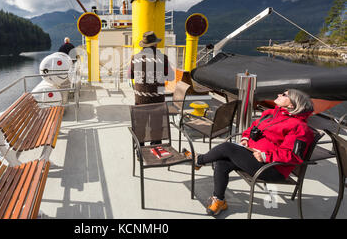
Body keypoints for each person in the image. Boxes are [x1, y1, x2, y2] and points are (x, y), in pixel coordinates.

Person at [184, 89, 315, 216]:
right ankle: (219, 200)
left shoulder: (300, 127)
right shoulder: (270, 114)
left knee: (227, 148)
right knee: (222, 161)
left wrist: (265, 156)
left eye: (284, 94)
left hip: (272, 168)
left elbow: (292, 155)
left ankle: (199, 161)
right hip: (252, 155)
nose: (279, 94)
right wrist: (246, 138)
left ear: (292, 104)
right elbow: (253, 128)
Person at [128, 31, 174, 145]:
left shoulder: (135, 58)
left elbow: (130, 75)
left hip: (140, 100)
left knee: (140, 125)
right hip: (158, 99)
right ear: (156, 44)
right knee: (156, 125)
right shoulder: (163, 58)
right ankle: (155, 147)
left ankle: (140, 149)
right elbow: (171, 76)